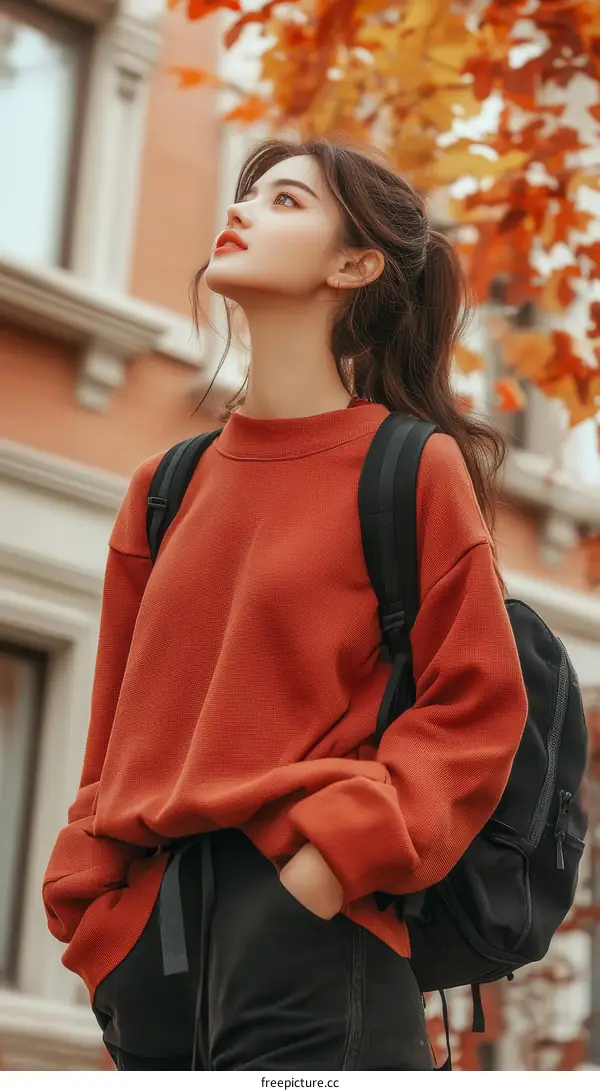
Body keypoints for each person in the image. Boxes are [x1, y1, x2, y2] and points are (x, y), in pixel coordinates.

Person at [42, 137, 528, 1072]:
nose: (243, 210)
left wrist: (324, 870)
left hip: (313, 932)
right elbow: (111, 731)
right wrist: (95, 910)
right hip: (149, 952)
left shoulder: (408, 468)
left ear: (356, 266)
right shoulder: (164, 487)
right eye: (247, 193)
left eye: (286, 201)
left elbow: (476, 708)